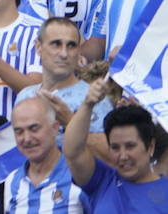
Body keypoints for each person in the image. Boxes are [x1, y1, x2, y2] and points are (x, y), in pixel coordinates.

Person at [65, 79, 168, 207]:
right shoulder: (101, 181)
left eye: (130, 146)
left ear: (150, 146)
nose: (123, 156)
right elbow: (73, 152)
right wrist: (88, 104)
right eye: (115, 148)